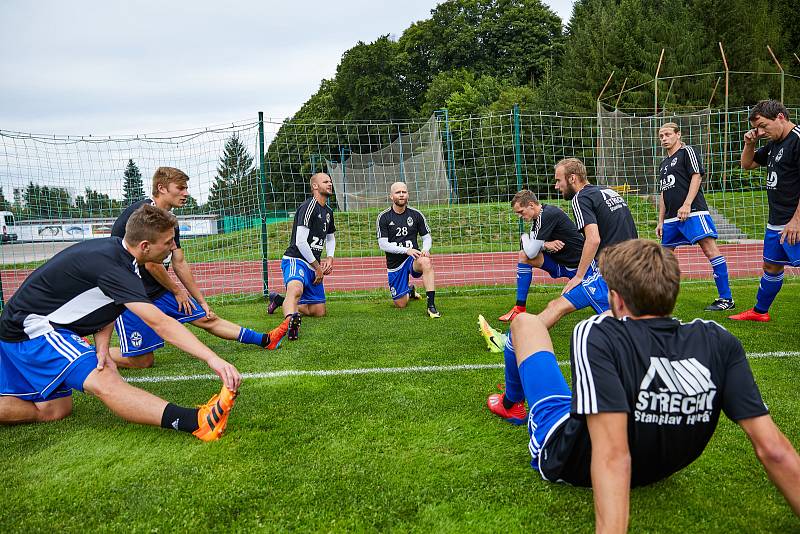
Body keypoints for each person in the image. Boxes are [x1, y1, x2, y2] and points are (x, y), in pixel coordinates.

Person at [486, 239, 800, 529]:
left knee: (525, 323)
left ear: (616, 299)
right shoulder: (717, 339)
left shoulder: (596, 332)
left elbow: (611, 457)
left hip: (571, 462)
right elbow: (773, 449)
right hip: (664, 465)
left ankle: (512, 405)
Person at [0, 204, 242, 441]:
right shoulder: (116, 268)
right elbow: (161, 323)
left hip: (36, 326)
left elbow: (106, 304)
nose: (173, 247)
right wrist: (212, 358)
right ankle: (197, 422)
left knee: (55, 410)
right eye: (168, 242)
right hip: (32, 329)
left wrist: (103, 348)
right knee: (105, 381)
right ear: (145, 246)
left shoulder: (122, 255)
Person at [110, 167, 288, 369]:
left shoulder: (168, 220)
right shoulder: (143, 216)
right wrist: (177, 291)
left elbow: (179, 261)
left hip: (156, 288)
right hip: (131, 294)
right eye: (181, 188)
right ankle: (86, 353)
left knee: (207, 318)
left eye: (186, 188)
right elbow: (151, 263)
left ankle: (266, 339)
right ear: (161, 188)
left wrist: (201, 301)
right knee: (143, 361)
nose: (186, 193)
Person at [535, 158, 638, 329]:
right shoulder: (607, 191)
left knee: (556, 306)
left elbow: (593, 239)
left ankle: (511, 341)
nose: (556, 186)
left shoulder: (580, 198)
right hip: (633, 266)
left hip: (612, 270)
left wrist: (579, 276)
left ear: (572, 178)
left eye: (558, 180)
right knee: (619, 318)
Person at [730, 100, 800, 322]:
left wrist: (797, 220)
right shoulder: (775, 142)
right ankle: (760, 312)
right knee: (771, 265)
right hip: (776, 220)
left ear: (780, 116)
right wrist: (749, 143)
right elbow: (747, 164)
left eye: (763, 126)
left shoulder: (797, 140)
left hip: (794, 220)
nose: (761, 132)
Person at [657, 123, 734, 311]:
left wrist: (687, 204)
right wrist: (660, 220)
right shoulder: (663, 164)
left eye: (667, 134)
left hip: (693, 212)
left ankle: (726, 299)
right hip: (671, 218)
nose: (664, 138)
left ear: (678, 134)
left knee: (710, 250)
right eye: (661, 136)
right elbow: (663, 193)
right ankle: (658, 298)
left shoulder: (687, 152)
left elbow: (697, 176)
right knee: (662, 258)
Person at [498, 189, 585, 323]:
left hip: (580, 268)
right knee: (523, 256)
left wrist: (524, 236)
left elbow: (532, 250)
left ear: (531, 205)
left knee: (605, 301)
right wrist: (544, 244)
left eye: (521, 212)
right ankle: (519, 308)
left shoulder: (548, 214)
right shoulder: (537, 220)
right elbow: (528, 250)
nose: (520, 216)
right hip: (560, 263)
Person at [267, 173, 336, 340]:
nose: (329, 183)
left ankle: (280, 300)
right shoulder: (308, 207)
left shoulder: (328, 211)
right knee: (296, 290)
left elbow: (330, 237)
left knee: (319, 312)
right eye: (325, 181)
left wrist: (330, 257)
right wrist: (318, 267)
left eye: (330, 181)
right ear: (315, 186)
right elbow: (300, 242)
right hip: (296, 260)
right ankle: (290, 322)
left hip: (313, 264)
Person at [375, 181, 440, 318]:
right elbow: (383, 244)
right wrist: (406, 250)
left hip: (413, 259)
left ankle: (431, 306)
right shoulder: (384, 217)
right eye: (398, 192)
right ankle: (409, 291)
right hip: (395, 263)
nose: (401, 195)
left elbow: (427, 237)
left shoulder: (416, 214)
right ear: (391, 196)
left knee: (426, 262)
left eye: (404, 192)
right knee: (400, 304)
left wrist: (425, 249)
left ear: (407, 195)